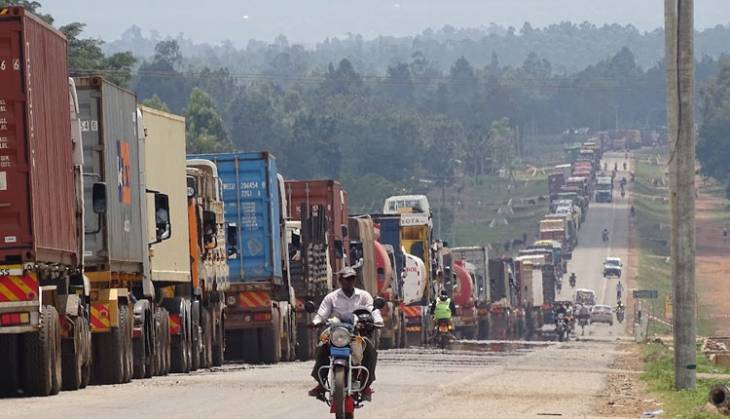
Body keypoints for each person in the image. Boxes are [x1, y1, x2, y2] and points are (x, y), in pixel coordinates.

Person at [308, 267, 383, 399]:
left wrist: (377, 321)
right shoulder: (331, 297)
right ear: (340, 280)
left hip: (356, 334)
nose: (349, 282)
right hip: (335, 332)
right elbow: (322, 313)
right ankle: (320, 384)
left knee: (370, 349)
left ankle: (366, 385)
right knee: (321, 346)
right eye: (346, 279)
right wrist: (316, 322)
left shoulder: (364, 296)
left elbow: (373, 310)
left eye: (352, 279)